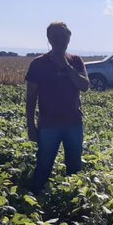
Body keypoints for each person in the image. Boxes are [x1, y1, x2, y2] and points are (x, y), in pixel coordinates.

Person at [25, 22, 89, 192]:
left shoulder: (75, 61)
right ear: (49, 39)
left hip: (74, 123)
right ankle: (36, 201)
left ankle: (72, 205)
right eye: (55, 37)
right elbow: (30, 97)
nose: (60, 41)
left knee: (75, 168)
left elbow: (84, 85)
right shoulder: (38, 64)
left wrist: (66, 68)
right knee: (43, 167)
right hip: (48, 125)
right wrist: (31, 126)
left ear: (69, 38)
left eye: (63, 37)